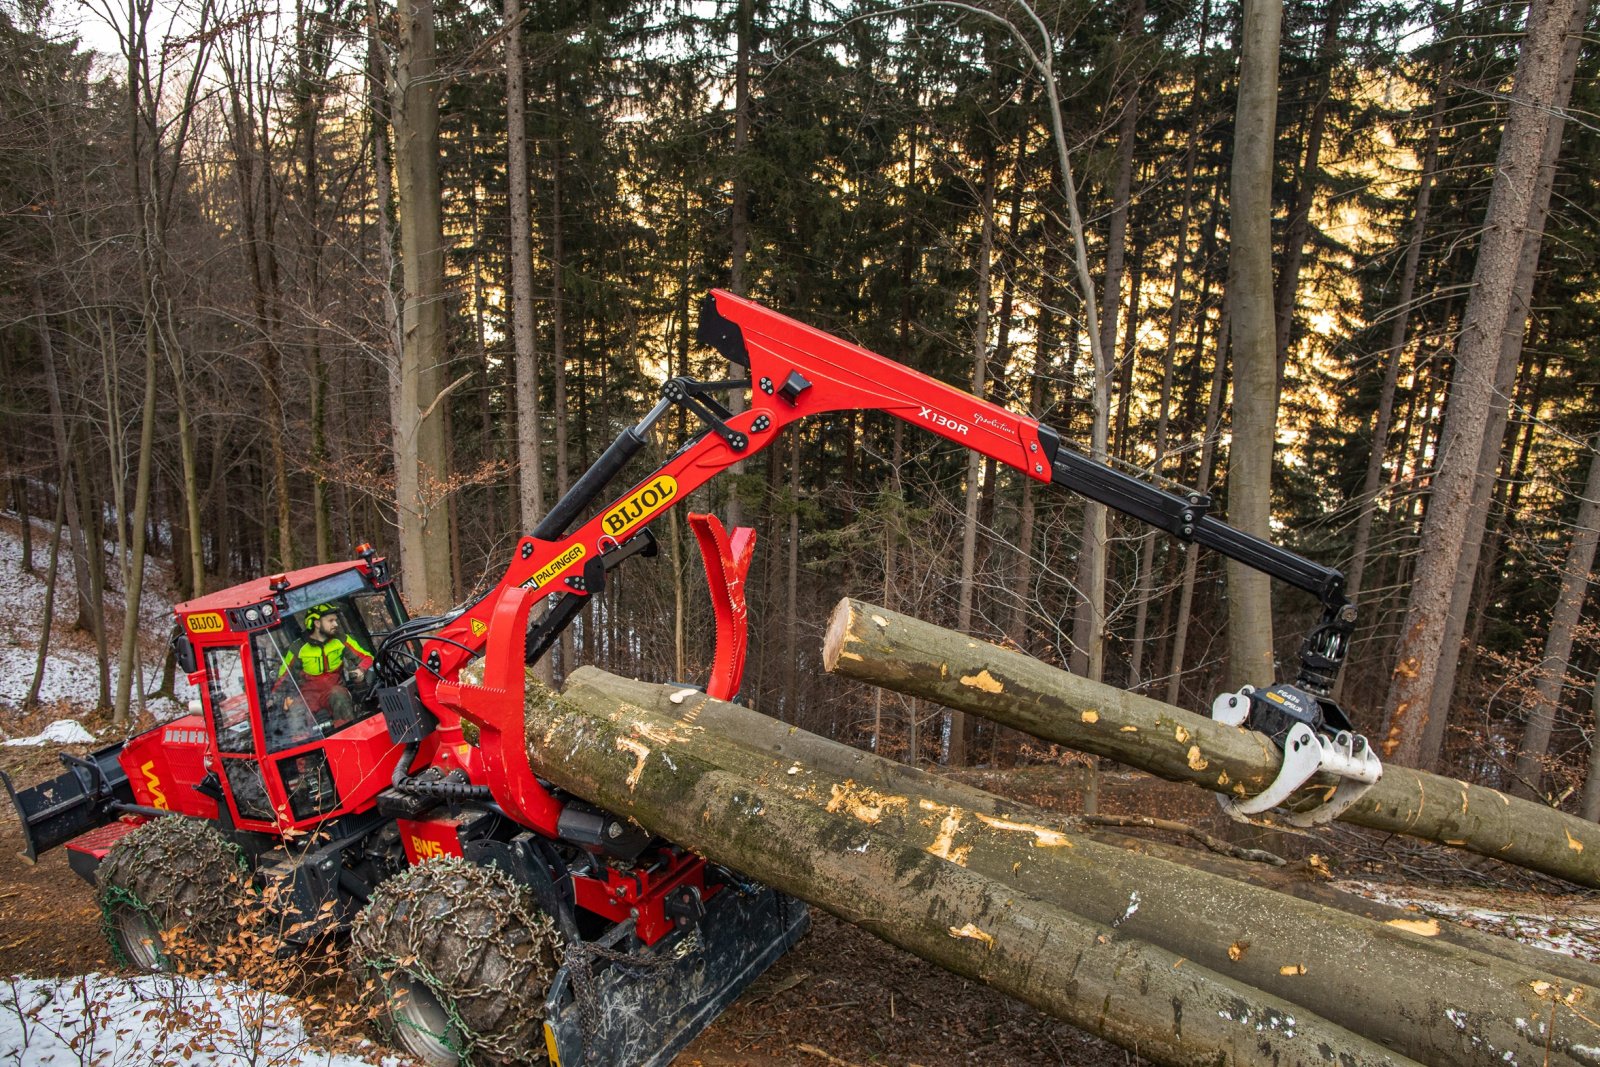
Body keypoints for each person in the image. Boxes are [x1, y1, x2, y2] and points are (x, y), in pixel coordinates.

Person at [278, 603, 374, 728]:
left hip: (334, 690)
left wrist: (361, 669)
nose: (336, 624)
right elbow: (283, 677)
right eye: (331, 621)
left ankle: (349, 736)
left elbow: (367, 657)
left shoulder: (341, 639)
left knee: (339, 695)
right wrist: (283, 698)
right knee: (295, 709)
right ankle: (306, 744)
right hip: (308, 696)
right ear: (317, 623)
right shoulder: (297, 648)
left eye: (336, 620)